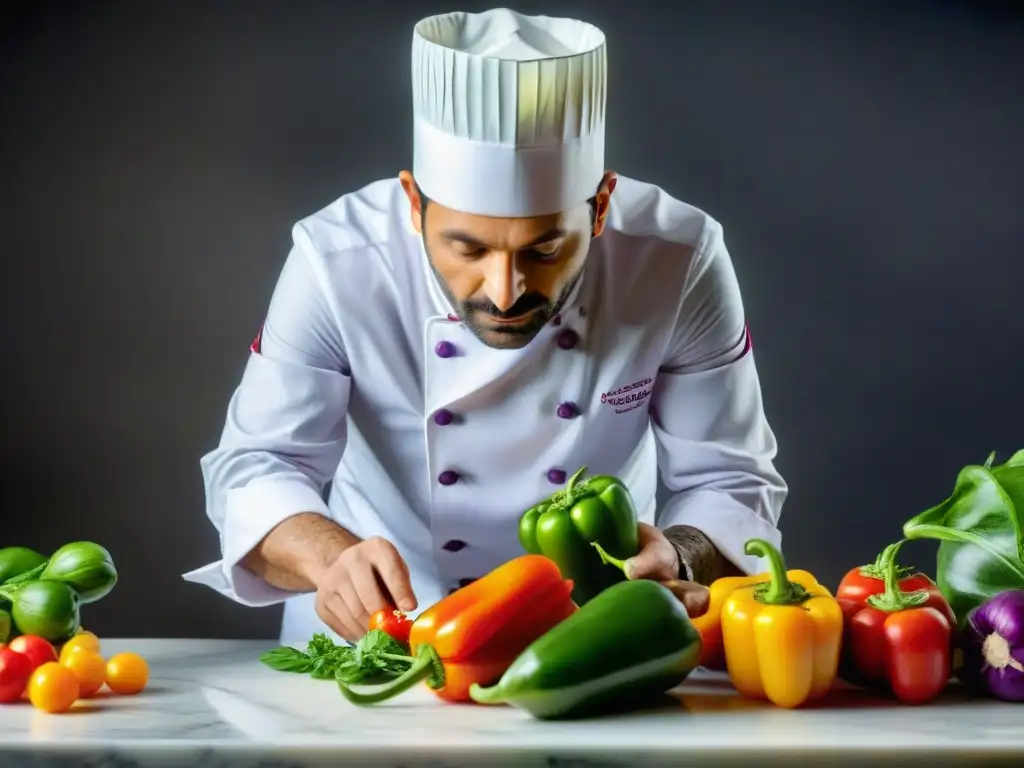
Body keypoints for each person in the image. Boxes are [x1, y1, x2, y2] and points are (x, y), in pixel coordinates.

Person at [183, 8, 787, 646]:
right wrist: (332, 560)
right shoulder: (337, 262)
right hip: (379, 642)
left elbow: (729, 478)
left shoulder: (677, 258)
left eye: (544, 249)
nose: (505, 293)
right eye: (468, 250)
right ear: (415, 205)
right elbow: (255, 465)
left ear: (601, 205)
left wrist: (685, 554)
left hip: (591, 640)